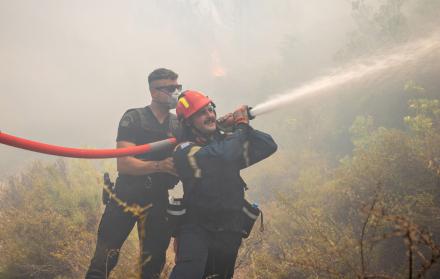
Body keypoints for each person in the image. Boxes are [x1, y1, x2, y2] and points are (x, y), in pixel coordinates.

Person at [169, 90, 277, 279]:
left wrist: (237, 127)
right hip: (197, 228)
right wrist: (241, 128)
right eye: (202, 113)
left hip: (229, 228)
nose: (210, 115)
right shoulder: (184, 150)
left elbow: (268, 145)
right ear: (188, 122)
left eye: (211, 110)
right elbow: (222, 156)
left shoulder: (226, 142)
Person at [86, 68, 181, 279]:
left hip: (158, 200)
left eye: (177, 87)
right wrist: (159, 166)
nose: (175, 93)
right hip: (125, 197)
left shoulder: (178, 124)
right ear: (154, 92)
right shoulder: (134, 118)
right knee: (103, 261)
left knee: (152, 265)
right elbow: (124, 163)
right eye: (169, 88)